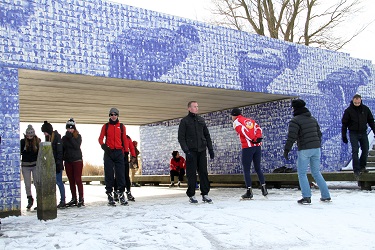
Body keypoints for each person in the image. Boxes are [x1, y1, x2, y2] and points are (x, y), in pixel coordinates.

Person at [283, 99, 331, 204]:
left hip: (305, 149)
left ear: (294, 108)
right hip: (316, 148)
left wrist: (287, 150)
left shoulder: (295, 120)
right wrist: (316, 144)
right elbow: (319, 134)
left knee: (302, 173)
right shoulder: (312, 119)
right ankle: (326, 195)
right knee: (316, 172)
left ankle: (306, 196)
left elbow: (292, 137)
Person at [178, 101, 214, 204]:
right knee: (191, 174)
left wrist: (210, 149)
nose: (196, 108)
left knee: (203, 172)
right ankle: (192, 195)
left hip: (202, 150)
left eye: (197, 106)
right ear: (189, 108)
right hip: (191, 152)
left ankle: (205, 194)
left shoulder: (201, 120)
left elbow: (207, 135)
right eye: (194, 106)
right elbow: (181, 138)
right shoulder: (184, 121)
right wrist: (186, 151)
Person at [231, 108, 268, 199]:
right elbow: (259, 129)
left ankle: (249, 191)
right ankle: (264, 188)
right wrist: (257, 138)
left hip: (248, 147)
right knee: (258, 168)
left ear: (234, 115)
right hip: (257, 147)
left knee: (246, 169)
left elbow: (243, 131)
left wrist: (252, 139)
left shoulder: (236, 122)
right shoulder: (250, 120)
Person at [98, 108, 132, 206]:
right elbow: (100, 138)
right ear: (109, 115)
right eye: (111, 114)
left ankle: (121, 194)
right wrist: (103, 146)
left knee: (120, 174)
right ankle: (109, 195)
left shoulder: (121, 126)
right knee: (109, 174)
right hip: (108, 152)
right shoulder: (106, 126)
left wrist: (126, 152)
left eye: (115, 114)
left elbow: (124, 139)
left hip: (119, 152)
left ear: (117, 116)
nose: (113, 116)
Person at [342, 94, 375, 179]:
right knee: (355, 150)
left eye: (358, 102)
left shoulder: (365, 109)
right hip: (353, 133)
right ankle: (356, 169)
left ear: (361, 101)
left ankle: (362, 166)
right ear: (353, 101)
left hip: (363, 132)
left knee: (365, 149)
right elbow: (344, 124)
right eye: (355, 103)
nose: (357, 104)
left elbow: (371, 121)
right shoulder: (348, 111)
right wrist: (344, 136)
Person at [41, 121, 66, 208]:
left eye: (45, 132)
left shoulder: (57, 138)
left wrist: (58, 163)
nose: (44, 134)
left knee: (59, 182)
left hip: (57, 164)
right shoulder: (48, 139)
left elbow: (60, 152)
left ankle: (63, 200)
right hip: (50, 164)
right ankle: (51, 201)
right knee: (51, 183)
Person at [62, 118, 84, 207]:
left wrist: (70, 137)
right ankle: (74, 198)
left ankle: (81, 198)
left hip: (77, 160)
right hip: (68, 161)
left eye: (71, 128)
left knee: (78, 179)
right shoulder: (64, 138)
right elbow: (63, 149)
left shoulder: (78, 136)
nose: (70, 130)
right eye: (68, 128)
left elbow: (76, 146)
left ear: (74, 128)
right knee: (71, 180)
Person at [20, 125, 41, 209]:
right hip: (25, 165)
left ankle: (39, 200)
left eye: (31, 136)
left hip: (35, 165)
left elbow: (40, 153)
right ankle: (29, 199)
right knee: (27, 184)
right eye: (28, 135)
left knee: (37, 183)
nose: (29, 137)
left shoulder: (37, 141)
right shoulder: (22, 142)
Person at [114, 135, 136, 202]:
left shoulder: (127, 138)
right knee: (118, 175)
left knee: (126, 176)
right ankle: (116, 193)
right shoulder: (116, 137)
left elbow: (131, 147)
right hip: (117, 156)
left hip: (125, 157)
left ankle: (128, 192)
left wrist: (133, 156)